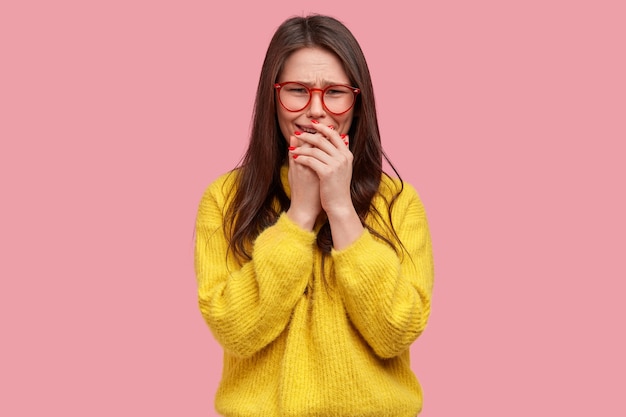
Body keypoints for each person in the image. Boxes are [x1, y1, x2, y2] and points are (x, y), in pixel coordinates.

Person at [194, 14, 434, 417]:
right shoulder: (225, 199)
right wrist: (300, 215)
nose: (316, 111)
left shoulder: (399, 202)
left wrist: (340, 209)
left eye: (335, 92)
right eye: (297, 90)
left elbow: (396, 332)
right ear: (273, 99)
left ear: (358, 104)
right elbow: (235, 329)